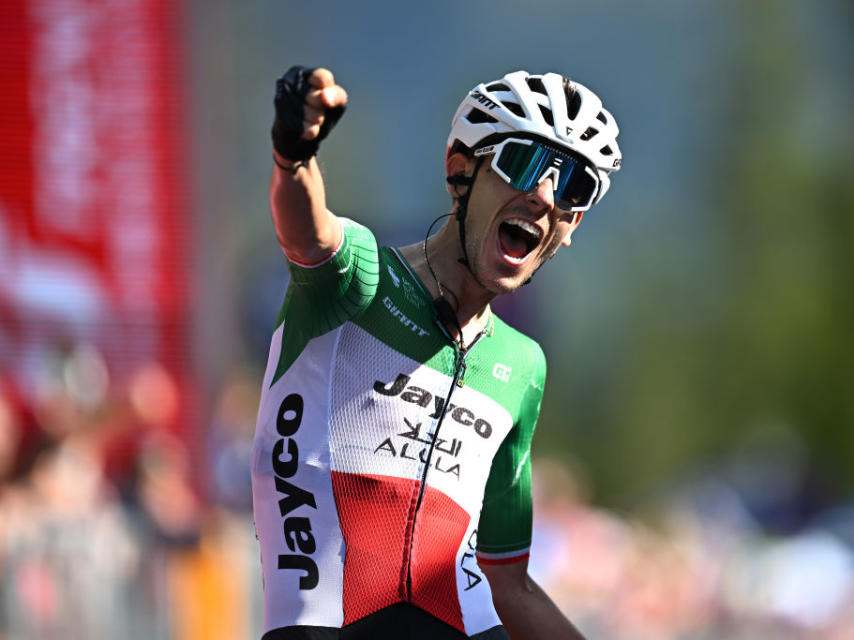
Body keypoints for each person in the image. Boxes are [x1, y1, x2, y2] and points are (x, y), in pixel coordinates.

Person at [251, 65, 621, 640]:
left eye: (574, 186)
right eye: (522, 162)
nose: (545, 195)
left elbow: (509, 582)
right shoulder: (362, 278)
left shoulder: (523, 365)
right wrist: (293, 155)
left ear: (572, 225)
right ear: (459, 170)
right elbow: (308, 232)